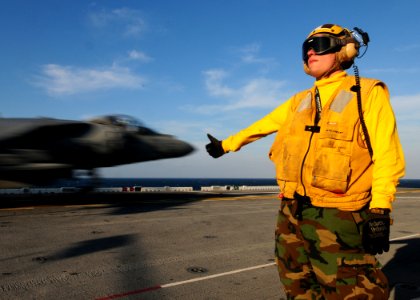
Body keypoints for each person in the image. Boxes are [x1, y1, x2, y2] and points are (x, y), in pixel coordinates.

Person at [206, 24, 405, 299]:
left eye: (320, 44)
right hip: (291, 211)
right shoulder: (299, 101)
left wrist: (380, 211)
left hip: (340, 214)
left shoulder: (368, 93)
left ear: (345, 50)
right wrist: (225, 145)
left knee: (354, 291)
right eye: (306, 47)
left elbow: (388, 155)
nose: (311, 51)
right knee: (297, 286)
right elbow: (262, 125)